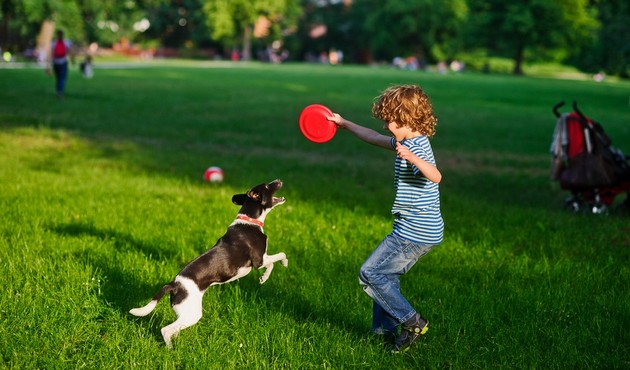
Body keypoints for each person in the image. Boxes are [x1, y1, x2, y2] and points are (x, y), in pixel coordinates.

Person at [327, 84, 444, 353]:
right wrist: (344, 123)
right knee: (386, 277)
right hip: (417, 229)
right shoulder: (406, 141)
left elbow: (436, 176)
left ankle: (412, 321)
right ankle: (384, 333)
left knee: (370, 273)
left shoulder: (418, 148)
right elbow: (372, 137)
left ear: (408, 120)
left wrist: (413, 158)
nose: (386, 126)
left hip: (414, 233)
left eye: (391, 121)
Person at [50, 30, 71, 98]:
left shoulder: (53, 43)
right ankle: (60, 91)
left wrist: (50, 63)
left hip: (56, 62)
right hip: (63, 62)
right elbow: (69, 51)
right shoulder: (66, 42)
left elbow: (52, 54)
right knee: (62, 78)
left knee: (58, 78)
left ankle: (58, 91)